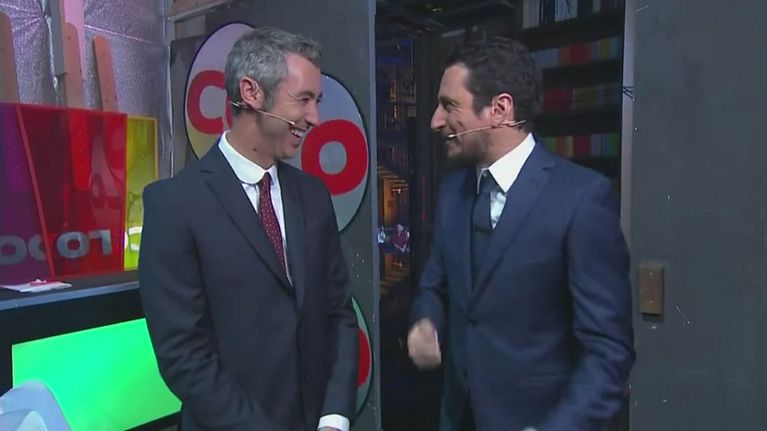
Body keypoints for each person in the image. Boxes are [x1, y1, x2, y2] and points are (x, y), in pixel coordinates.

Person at [407, 36, 634, 431]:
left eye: (449, 105)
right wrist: (426, 321)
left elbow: (608, 352)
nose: (435, 121)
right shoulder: (453, 192)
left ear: (500, 109)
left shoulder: (581, 199)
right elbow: (435, 285)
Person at [139, 27, 358, 431]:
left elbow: (339, 314)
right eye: (303, 99)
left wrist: (334, 416)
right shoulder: (174, 205)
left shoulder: (313, 197)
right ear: (252, 93)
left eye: (317, 101)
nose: (314, 118)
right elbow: (184, 354)